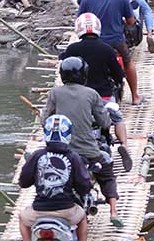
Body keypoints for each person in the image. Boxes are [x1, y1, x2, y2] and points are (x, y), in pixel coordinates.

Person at [43, 58, 123, 229]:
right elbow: (104, 122)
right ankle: (114, 212)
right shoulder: (91, 94)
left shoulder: (54, 93)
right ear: (83, 74)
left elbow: (45, 119)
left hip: (58, 151)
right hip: (88, 152)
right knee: (107, 170)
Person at [61, 13, 133, 172]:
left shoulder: (73, 48)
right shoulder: (107, 49)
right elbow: (119, 75)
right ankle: (125, 147)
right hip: (104, 98)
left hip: (76, 98)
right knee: (118, 118)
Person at [17, 114, 92, 241]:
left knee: (22, 218)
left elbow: (23, 182)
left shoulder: (36, 155)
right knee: (82, 218)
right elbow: (84, 186)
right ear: (68, 134)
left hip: (39, 210)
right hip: (66, 210)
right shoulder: (74, 157)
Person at [77, 0, 141, 105]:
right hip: (116, 41)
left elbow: (80, 18)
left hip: (92, 40)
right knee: (128, 62)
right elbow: (131, 21)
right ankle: (135, 97)